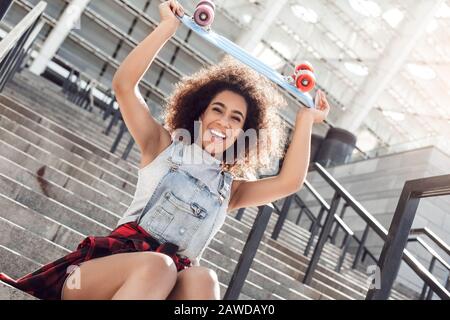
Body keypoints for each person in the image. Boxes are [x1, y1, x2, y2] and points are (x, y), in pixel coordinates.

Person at [0, 0, 330, 300]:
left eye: (236, 118)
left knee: (203, 280)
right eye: (217, 109)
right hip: (87, 281)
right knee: (160, 266)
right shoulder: (162, 148)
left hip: (163, 288)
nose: (224, 122)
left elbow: (289, 183)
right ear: (199, 113)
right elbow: (124, 86)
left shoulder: (231, 191)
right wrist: (166, 29)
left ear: (243, 133)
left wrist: (305, 119)